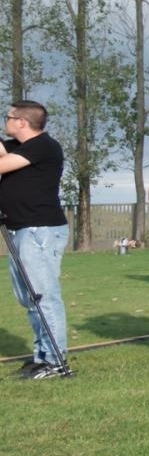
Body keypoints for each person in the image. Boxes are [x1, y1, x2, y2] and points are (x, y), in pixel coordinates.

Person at [0, 100, 70, 376]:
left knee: (43, 295)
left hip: (39, 230)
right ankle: (41, 355)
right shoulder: (19, 146)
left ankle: (55, 359)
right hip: (21, 230)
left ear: (22, 122)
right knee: (29, 297)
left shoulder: (43, 146)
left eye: (8, 117)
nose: (5, 120)